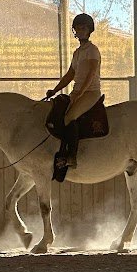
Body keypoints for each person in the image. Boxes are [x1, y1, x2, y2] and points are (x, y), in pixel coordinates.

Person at [46, 12, 102, 168]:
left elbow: (91, 74)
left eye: (83, 28)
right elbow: (70, 74)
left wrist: (80, 93)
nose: (80, 31)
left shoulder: (92, 50)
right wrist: (55, 90)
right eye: (77, 28)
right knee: (59, 115)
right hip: (78, 92)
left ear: (89, 30)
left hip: (90, 92)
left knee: (69, 117)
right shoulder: (77, 53)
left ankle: (71, 157)